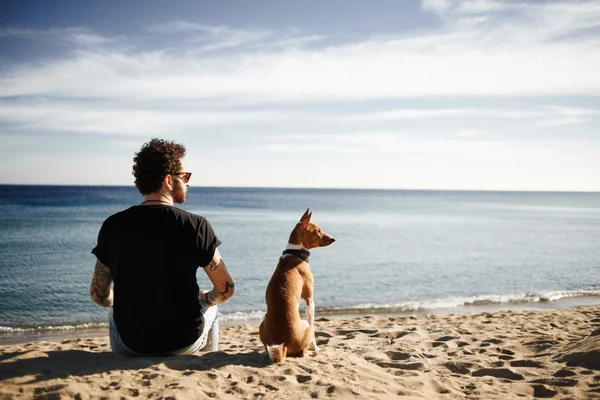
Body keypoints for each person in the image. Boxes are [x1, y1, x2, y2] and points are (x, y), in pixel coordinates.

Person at [89, 138, 235, 356]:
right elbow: (226, 288)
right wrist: (208, 298)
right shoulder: (196, 226)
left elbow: (99, 295)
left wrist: (119, 303)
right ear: (169, 180)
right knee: (212, 308)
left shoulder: (113, 225)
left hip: (130, 345)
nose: (188, 183)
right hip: (182, 342)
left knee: (115, 312)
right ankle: (207, 358)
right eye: (185, 177)